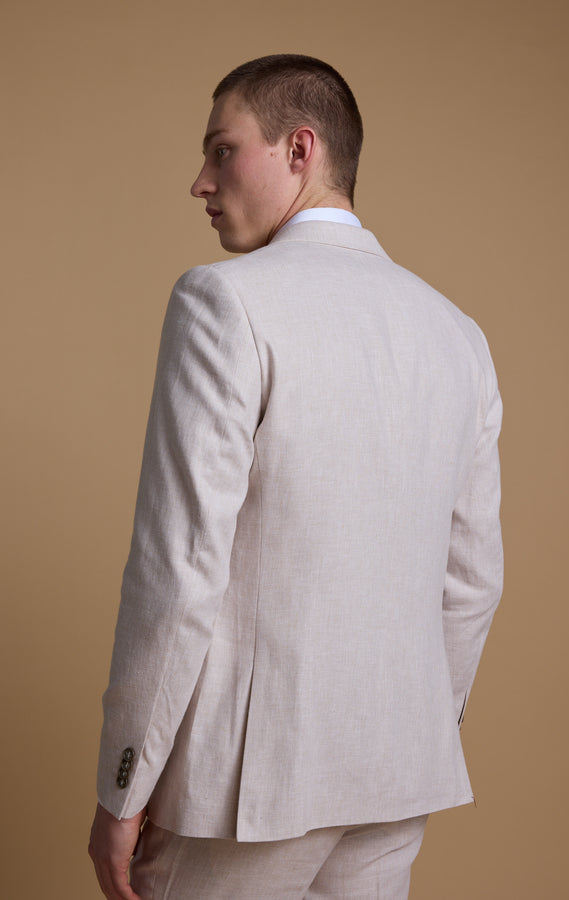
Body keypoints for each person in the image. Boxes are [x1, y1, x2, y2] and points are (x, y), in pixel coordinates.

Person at [89, 54, 503, 900]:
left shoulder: (224, 301)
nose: (200, 182)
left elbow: (179, 573)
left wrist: (124, 786)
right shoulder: (456, 333)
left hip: (248, 793)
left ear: (300, 149)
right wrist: (414, 721)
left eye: (222, 150)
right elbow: (472, 582)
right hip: (398, 773)